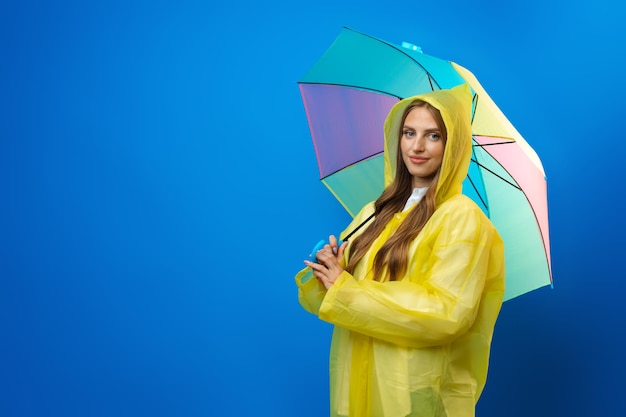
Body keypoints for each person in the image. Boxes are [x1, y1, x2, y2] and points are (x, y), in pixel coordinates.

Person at [295, 84, 505, 417]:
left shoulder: (462, 219)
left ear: (454, 146)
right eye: (409, 133)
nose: (417, 147)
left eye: (433, 136)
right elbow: (330, 299)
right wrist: (328, 269)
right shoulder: (374, 212)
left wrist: (346, 291)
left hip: (411, 393)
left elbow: (446, 313)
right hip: (354, 381)